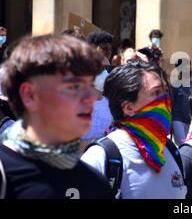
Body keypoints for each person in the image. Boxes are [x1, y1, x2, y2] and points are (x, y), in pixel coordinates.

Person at [0, 34, 113, 199]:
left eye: (90, 85)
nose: (90, 98)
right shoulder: (5, 173)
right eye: (74, 86)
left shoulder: (96, 183)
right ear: (30, 95)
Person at [81, 60, 186, 199]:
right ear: (129, 108)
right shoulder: (101, 158)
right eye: (156, 92)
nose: (166, 99)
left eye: (166, 91)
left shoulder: (172, 151)